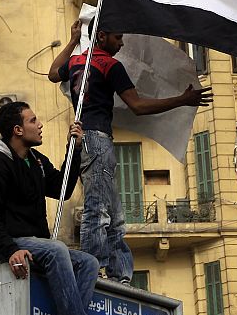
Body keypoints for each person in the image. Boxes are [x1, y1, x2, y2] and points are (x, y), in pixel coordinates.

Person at [48, 19, 213, 284]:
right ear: (101, 36)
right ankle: (93, 271)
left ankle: (120, 275)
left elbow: (54, 73)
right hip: (97, 139)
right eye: (118, 37)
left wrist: (72, 40)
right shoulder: (112, 66)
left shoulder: (78, 61)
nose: (122, 43)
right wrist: (182, 100)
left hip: (82, 140)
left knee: (115, 218)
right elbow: (138, 106)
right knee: (98, 211)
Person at [0, 101, 126, 315]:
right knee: (57, 250)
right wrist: (11, 250)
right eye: (33, 121)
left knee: (88, 263)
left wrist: (74, 149)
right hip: (7, 247)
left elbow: (62, 188)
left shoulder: (37, 162)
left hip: (38, 247)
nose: (40, 124)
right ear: (18, 130)